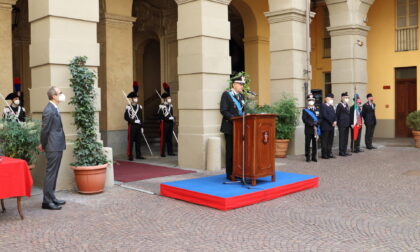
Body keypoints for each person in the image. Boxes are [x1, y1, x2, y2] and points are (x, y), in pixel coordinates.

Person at [38, 86, 66, 210]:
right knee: (50, 173)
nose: (62, 95)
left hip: (57, 144)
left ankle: (52, 196)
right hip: (52, 145)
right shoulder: (49, 110)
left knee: (54, 173)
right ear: (53, 96)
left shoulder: (54, 108)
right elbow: (45, 130)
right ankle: (46, 201)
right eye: (60, 93)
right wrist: (43, 144)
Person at [220, 75, 245, 180]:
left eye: (243, 85)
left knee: (239, 151)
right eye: (240, 84)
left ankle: (238, 171)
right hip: (230, 127)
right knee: (230, 151)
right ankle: (230, 173)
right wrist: (234, 118)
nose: (242, 87)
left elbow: (243, 110)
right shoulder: (226, 95)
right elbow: (223, 110)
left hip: (240, 128)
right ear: (234, 84)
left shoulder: (242, 96)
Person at [124, 91, 145, 161]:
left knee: (138, 141)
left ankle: (138, 155)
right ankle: (130, 155)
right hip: (132, 126)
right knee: (131, 141)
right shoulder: (128, 107)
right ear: (132, 99)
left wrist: (142, 126)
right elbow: (126, 117)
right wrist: (133, 121)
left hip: (138, 126)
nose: (136, 99)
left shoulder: (139, 107)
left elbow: (141, 117)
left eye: (136, 98)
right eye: (135, 98)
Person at [302, 94, 321, 162]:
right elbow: (304, 119)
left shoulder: (317, 109)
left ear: (314, 101)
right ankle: (307, 156)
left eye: (312, 100)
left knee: (315, 143)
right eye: (309, 100)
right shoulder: (305, 110)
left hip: (316, 129)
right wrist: (311, 123)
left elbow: (320, 118)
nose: (311, 101)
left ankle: (314, 156)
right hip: (308, 129)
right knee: (307, 143)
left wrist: (317, 122)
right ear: (307, 101)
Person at [158, 93, 175, 157]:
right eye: (168, 98)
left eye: (170, 98)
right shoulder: (161, 106)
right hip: (164, 123)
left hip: (170, 123)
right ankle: (162, 152)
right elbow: (160, 116)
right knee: (163, 138)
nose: (170, 99)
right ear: (165, 99)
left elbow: (171, 114)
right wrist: (167, 118)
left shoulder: (171, 106)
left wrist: (173, 118)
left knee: (169, 138)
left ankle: (170, 151)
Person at [320, 93, 337, 159]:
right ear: (326, 99)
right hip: (326, 126)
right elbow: (325, 115)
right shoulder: (323, 106)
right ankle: (324, 154)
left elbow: (334, 115)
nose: (332, 100)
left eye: (332, 99)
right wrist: (332, 122)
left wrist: (335, 121)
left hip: (332, 126)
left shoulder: (331, 106)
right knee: (325, 140)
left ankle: (329, 153)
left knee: (330, 140)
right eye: (330, 99)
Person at [336, 92, 352, 157]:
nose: (347, 99)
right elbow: (337, 115)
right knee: (342, 138)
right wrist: (338, 124)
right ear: (342, 98)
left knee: (346, 138)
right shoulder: (339, 105)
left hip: (347, 124)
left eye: (348, 98)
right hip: (341, 124)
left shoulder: (347, 105)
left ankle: (345, 151)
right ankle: (341, 151)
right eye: (346, 98)